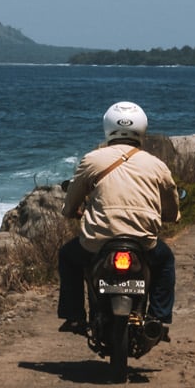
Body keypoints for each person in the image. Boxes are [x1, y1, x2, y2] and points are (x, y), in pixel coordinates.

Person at [56, 101, 179, 335]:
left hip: (97, 241)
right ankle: (158, 318)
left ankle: (74, 316)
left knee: (68, 257)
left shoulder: (92, 160)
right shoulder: (156, 165)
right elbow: (171, 205)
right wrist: (172, 216)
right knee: (165, 261)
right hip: (142, 241)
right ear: (142, 128)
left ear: (108, 127)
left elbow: (72, 198)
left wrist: (70, 212)